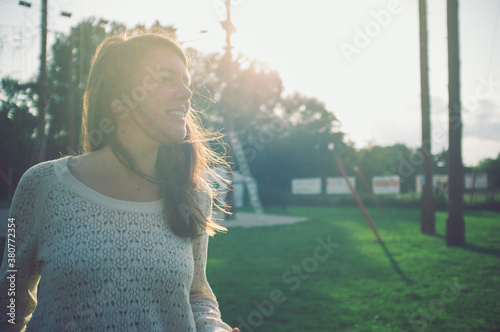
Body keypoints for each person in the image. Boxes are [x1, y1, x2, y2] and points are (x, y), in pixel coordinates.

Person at [0, 30, 239, 331]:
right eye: (166, 78)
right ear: (119, 99)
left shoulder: (193, 196)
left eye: (186, 81)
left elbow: (197, 293)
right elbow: (8, 299)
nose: (187, 93)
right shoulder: (41, 185)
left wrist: (213, 328)